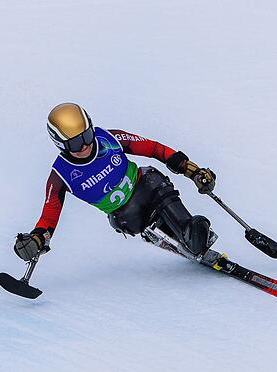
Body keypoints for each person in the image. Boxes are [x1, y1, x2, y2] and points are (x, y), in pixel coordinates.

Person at [14, 103, 217, 262]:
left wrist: (191, 170)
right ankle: (190, 236)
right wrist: (36, 239)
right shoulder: (61, 176)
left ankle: (190, 234)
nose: (84, 146)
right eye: (75, 143)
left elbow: (153, 148)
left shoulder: (109, 138)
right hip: (127, 215)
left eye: (87, 135)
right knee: (139, 212)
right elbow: (49, 217)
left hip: (149, 186)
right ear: (60, 145)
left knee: (156, 184)